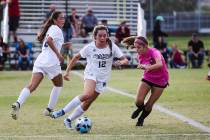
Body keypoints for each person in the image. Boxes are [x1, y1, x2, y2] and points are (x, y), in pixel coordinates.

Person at [50, 25, 128, 129]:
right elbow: (76, 57)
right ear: (95, 36)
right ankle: (62, 111)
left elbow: (125, 60)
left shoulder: (112, 46)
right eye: (100, 36)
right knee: (87, 94)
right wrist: (67, 71)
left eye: (105, 35)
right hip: (91, 74)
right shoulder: (90, 47)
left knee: (87, 103)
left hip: (102, 79)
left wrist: (120, 62)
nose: (102, 38)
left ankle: (68, 120)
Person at [11, 11, 65, 120]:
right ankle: (49, 110)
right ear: (54, 20)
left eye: (63, 18)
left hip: (40, 60)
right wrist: (59, 55)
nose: (63, 20)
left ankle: (18, 103)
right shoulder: (56, 29)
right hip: (51, 62)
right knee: (59, 85)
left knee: (32, 86)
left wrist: (63, 45)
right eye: (60, 18)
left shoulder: (50, 28)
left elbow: (48, 40)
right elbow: (49, 41)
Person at [123, 36, 169, 127]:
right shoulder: (139, 55)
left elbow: (159, 64)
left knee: (149, 105)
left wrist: (147, 67)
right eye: (135, 47)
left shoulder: (155, 52)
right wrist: (143, 66)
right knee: (138, 101)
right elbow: (145, 65)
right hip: (148, 77)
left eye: (139, 47)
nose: (137, 50)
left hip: (161, 79)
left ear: (145, 46)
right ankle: (139, 109)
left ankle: (141, 119)